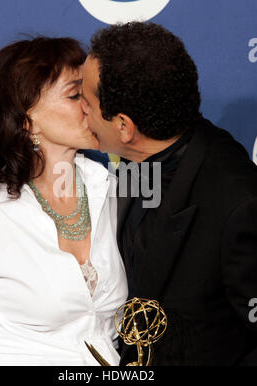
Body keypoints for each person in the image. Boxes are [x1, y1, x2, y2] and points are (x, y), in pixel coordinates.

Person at [81, 22, 257, 365]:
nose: (81, 111)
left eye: (85, 100)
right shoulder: (137, 158)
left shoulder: (240, 203)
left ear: (123, 126)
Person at [0, 37, 128, 366]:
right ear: (26, 120)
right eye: (75, 94)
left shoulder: (109, 190)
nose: (92, 105)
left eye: (92, 92)